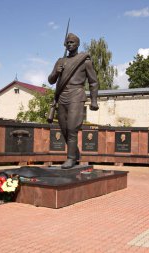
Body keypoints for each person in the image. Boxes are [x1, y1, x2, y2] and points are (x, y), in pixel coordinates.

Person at [48, 33, 99, 169]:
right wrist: (56, 72)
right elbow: (51, 80)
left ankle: (70, 158)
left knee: (72, 128)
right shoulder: (60, 61)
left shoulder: (84, 61)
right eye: (68, 42)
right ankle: (75, 153)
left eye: (72, 42)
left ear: (77, 44)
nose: (70, 44)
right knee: (64, 129)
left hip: (76, 95)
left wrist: (94, 100)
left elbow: (93, 82)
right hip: (62, 97)